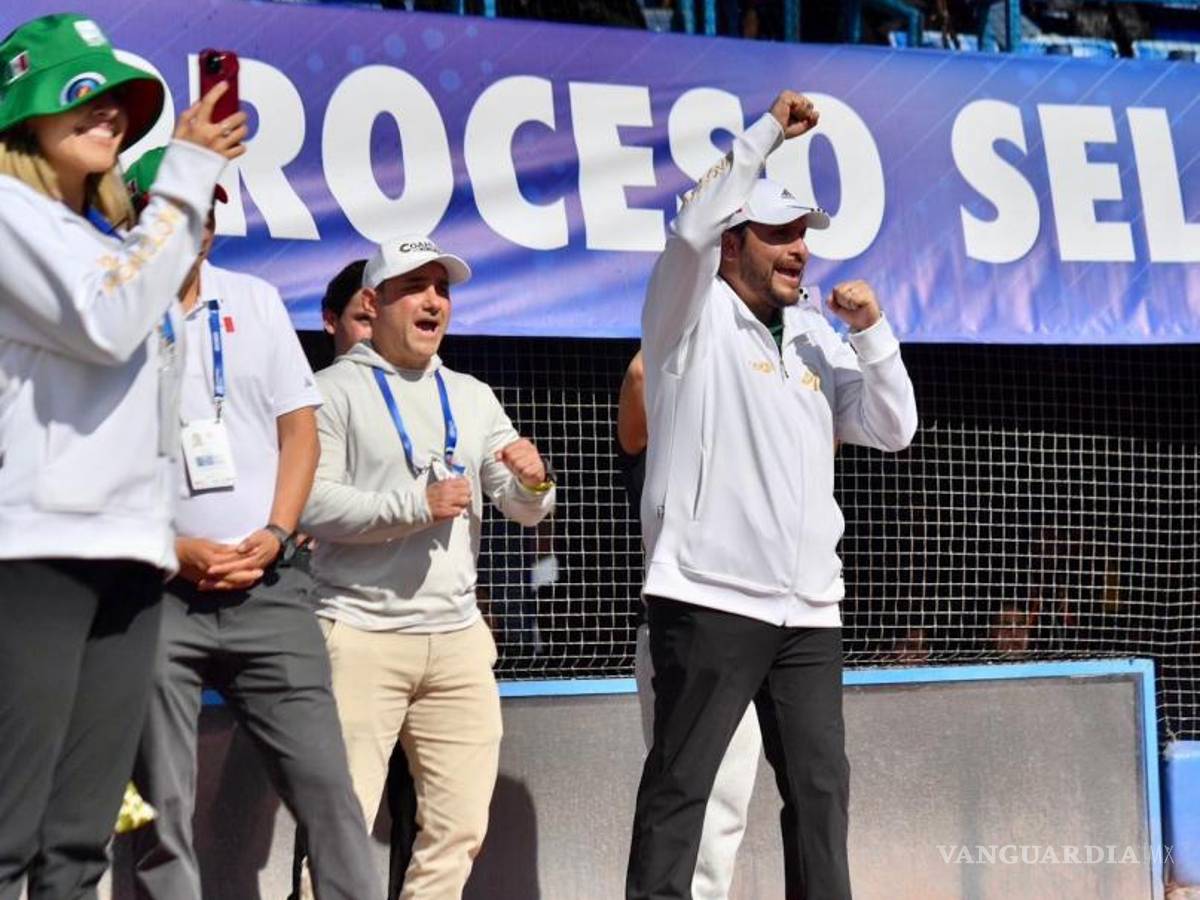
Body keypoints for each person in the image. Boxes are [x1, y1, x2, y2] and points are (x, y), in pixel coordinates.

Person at [626, 90, 918, 900]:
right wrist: (764, 136)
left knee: (822, 797)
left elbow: (895, 428)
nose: (799, 251)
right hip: (710, 598)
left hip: (809, 611)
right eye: (780, 234)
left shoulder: (820, 338)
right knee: (684, 792)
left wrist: (872, 332)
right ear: (732, 244)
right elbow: (687, 230)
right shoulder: (688, 317)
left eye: (804, 237)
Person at [0, 13, 244, 898]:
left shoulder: (109, 241)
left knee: (78, 840)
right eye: (86, 95)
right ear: (24, 109)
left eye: (119, 104)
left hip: (129, 552)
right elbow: (106, 322)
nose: (108, 114)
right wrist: (182, 176)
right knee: (9, 828)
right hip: (34, 550)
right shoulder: (4, 210)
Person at [120, 147, 380, 900]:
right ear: (138, 212)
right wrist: (171, 547)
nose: (196, 223)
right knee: (160, 808)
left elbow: (299, 432)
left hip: (269, 587)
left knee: (330, 791)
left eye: (208, 207)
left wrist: (275, 533)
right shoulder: (108, 315)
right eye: (177, 205)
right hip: (154, 589)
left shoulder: (256, 300)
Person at [301, 235, 556, 899]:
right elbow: (310, 503)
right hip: (358, 634)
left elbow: (524, 507)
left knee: (459, 828)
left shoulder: (471, 396)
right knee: (341, 827)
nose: (433, 301)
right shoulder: (329, 392)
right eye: (415, 287)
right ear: (373, 302)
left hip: (457, 640)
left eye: (442, 289)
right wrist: (415, 504)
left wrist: (534, 482)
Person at [617, 349, 763, 900]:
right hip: (685, 635)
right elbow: (638, 374)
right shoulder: (659, 448)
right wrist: (699, 312)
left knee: (726, 813)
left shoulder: (757, 452)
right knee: (688, 799)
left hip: (771, 628)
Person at [321, 257, 374, 357]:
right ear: (331, 321)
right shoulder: (301, 372)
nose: (382, 331)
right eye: (366, 319)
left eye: (389, 320)